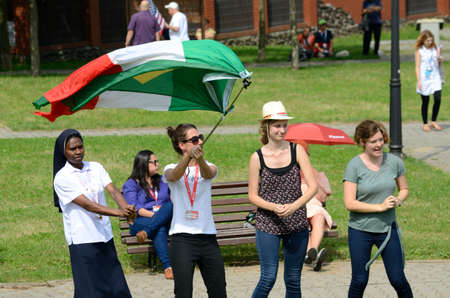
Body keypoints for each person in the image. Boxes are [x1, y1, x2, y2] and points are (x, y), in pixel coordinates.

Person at [53, 129, 136, 298]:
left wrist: (127, 208)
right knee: (90, 291)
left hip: (104, 236)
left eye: (80, 147)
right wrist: (119, 212)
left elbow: (113, 191)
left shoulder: (96, 167)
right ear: (64, 151)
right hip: (82, 240)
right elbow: (90, 206)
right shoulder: (62, 177)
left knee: (116, 287)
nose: (78, 152)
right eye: (72, 149)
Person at [248, 101, 318, 297]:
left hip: (296, 223)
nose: (281, 129)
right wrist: (273, 207)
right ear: (266, 127)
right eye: (277, 125)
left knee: (293, 279)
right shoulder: (257, 157)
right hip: (268, 223)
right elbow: (252, 195)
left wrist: (294, 206)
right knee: (268, 277)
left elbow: (313, 187)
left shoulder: (297, 151)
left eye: (284, 125)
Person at [343, 120, 413, 298]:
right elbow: (349, 203)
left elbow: (404, 189)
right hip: (360, 230)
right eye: (373, 141)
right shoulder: (354, 166)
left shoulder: (394, 162)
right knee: (359, 280)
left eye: (380, 140)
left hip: (388, 230)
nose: (378, 145)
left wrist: (398, 200)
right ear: (362, 142)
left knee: (398, 279)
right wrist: (379, 207)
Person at [163, 124, 226, 298]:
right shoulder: (169, 167)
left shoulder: (209, 165)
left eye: (200, 137)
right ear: (182, 144)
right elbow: (174, 176)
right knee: (183, 292)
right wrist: (188, 158)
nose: (199, 142)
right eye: (194, 139)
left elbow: (208, 174)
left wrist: (199, 159)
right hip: (182, 238)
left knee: (218, 290)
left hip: (207, 236)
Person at [123, 150, 174, 279]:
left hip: (160, 221)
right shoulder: (131, 184)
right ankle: (168, 267)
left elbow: (170, 202)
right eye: (154, 162)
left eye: (158, 162)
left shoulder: (162, 180)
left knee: (169, 207)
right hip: (139, 222)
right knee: (159, 227)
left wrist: (162, 215)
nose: (158, 164)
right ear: (144, 164)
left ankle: (167, 266)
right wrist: (159, 217)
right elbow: (136, 209)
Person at [297, 141, 333, 272]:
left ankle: (313, 252)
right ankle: (312, 256)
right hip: (297, 209)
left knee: (319, 217)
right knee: (300, 223)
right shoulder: (285, 172)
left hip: (314, 207)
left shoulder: (313, 171)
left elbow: (322, 198)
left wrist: (314, 180)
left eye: (304, 155)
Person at [415, 30, 443, 132]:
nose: (429, 43)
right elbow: (417, 67)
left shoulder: (435, 49)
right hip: (424, 79)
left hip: (435, 77)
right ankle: (425, 123)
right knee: (425, 101)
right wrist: (419, 81)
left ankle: (433, 121)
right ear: (423, 41)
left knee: (438, 98)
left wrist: (439, 61)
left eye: (431, 40)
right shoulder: (420, 51)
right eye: (427, 41)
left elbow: (437, 64)